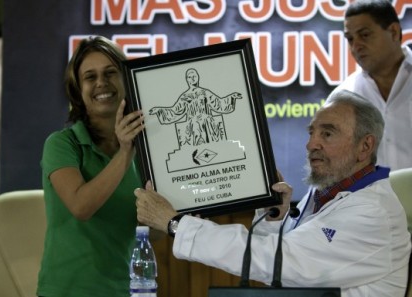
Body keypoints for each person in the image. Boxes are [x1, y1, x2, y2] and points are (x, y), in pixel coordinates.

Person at [135, 90, 411, 297]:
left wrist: (176, 224)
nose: (311, 143)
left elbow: (281, 262)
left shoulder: (373, 213)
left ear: (365, 146)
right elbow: (280, 273)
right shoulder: (325, 195)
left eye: (327, 134)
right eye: (312, 132)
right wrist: (273, 219)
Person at [37, 36, 144, 297]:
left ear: (126, 80)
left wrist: (183, 210)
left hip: (124, 291)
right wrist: (125, 152)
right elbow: (81, 207)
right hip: (66, 292)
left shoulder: (145, 151)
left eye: (110, 73)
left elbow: (153, 233)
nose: (101, 83)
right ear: (78, 90)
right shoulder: (62, 144)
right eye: (90, 77)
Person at [329, 0, 412, 170]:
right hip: (371, 197)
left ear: (394, 32)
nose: (356, 46)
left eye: (364, 34)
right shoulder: (344, 97)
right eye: (350, 39)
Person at [149, 68, 242, 146]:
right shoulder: (184, 96)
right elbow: (175, 111)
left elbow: (218, 104)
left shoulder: (205, 92)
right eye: (190, 77)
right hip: (193, 125)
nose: (192, 79)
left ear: (198, 77)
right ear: (187, 79)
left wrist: (232, 97)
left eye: (194, 76)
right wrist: (159, 110)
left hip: (208, 124)